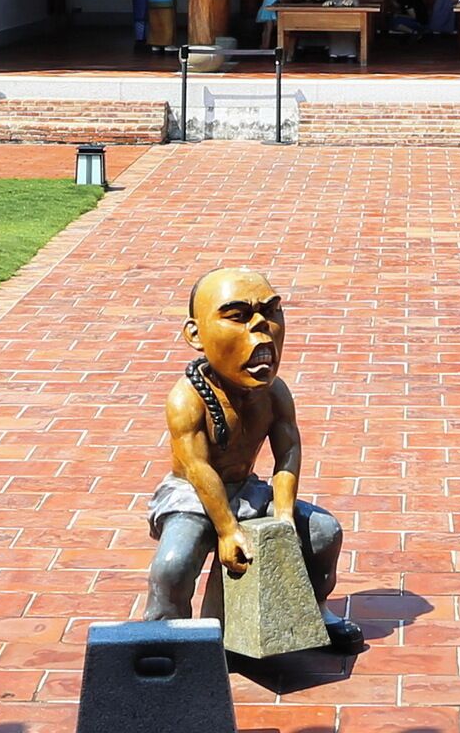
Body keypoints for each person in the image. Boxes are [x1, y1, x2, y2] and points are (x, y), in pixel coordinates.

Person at [137, 263, 366, 652]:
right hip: (193, 494)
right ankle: (164, 637)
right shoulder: (186, 398)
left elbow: (288, 451)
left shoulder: (274, 394)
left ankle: (317, 608)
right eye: (239, 316)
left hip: (246, 491)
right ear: (195, 334)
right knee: (172, 565)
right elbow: (197, 466)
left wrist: (282, 513)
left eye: (271, 312)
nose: (261, 328)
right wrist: (227, 531)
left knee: (324, 532)